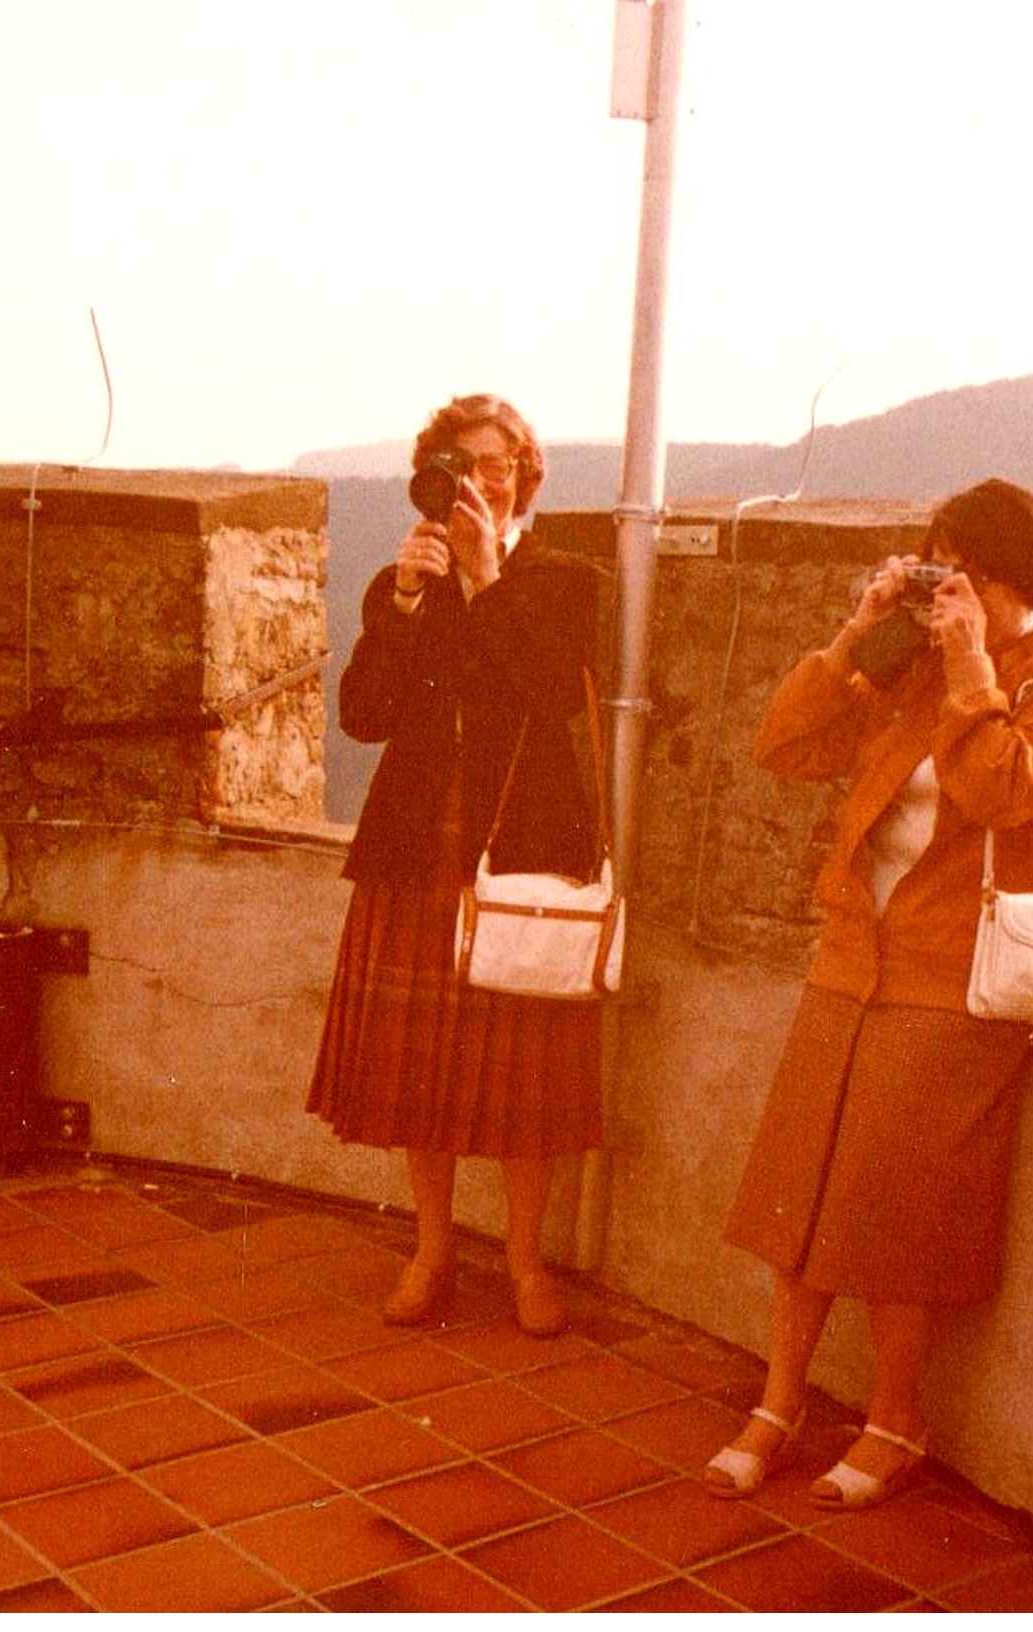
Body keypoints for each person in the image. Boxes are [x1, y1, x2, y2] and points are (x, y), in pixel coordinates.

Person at [704, 478, 1033, 1509]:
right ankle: (778, 1399)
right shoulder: (913, 660)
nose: (949, 594)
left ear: (1014, 579)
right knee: (798, 1193)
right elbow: (786, 748)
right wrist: (857, 640)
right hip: (853, 954)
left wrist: (972, 666)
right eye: (938, 570)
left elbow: (1001, 793)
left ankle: (895, 1421)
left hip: (956, 976)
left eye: (965, 573)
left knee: (893, 1217)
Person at [307, 393, 602, 1338]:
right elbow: (363, 715)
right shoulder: (408, 581)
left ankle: (524, 1261)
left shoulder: (562, 579)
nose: (484, 481)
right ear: (436, 477)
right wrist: (400, 598)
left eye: (501, 465)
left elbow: (552, 689)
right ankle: (432, 1249)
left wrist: (486, 581)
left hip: (517, 854)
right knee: (422, 1076)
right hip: (417, 850)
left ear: (524, 478)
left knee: (521, 1078)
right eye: (463, 465)